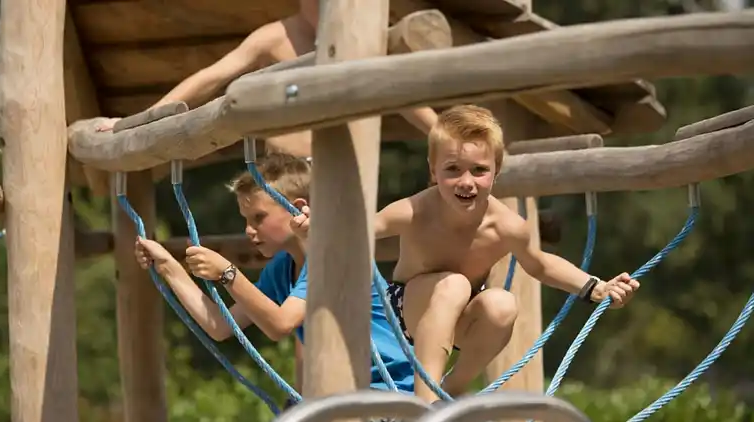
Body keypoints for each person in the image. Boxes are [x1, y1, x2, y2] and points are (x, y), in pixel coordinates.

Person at [291, 104, 641, 403]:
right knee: (454, 285)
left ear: (496, 172)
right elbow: (357, 229)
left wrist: (596, 287)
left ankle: (452, 390)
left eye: (479, 170)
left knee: (502, 303)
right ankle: (424, 403)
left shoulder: (507, 226)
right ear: (433, 172)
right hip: (405, 310)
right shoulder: (413, 210)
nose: (466, 182)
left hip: (460, 319)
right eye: (452, 170)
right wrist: (317, 225)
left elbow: (540, 264)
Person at [133, 152, 416, 399]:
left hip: (390, 390)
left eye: (259, 217)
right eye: (246, 220)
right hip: (346, 392)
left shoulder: (331, 254)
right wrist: (169, 267)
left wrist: (229, 274)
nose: (248, 230)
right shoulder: (282, 268)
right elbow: (221, 325)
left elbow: (280, 324)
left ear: (297, 206)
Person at [96, 0, 439, 158]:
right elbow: (211, 77)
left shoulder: (366, 41)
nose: (325, 9)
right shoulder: (277, 37)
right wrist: (131, 125)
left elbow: (395, 93)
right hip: (286, 175)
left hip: (346, 174)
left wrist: (441, 134)